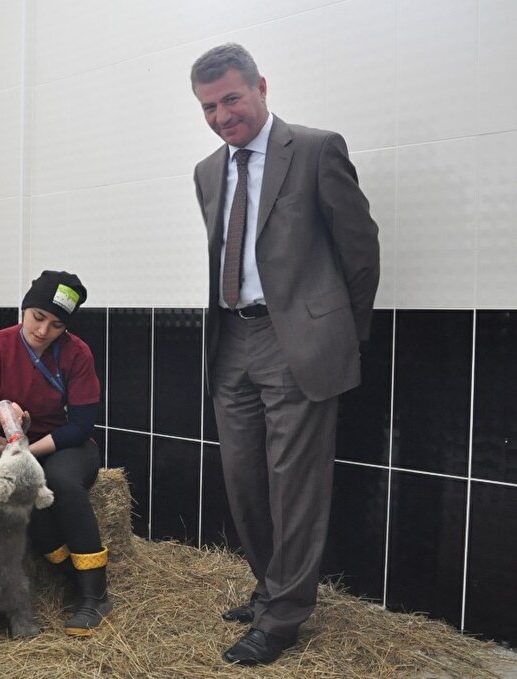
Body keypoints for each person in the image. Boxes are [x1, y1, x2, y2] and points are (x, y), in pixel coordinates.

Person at [190, 44, 380, 666]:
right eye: (209, 106)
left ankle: (285, 617)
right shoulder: (207, 172)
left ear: (261, 87)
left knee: (293, 486)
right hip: (230, 340)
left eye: (231, 99)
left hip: (295, 339)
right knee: (244, 481)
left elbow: (359, 247)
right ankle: (270, 587)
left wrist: (341, 334)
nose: (221, 116)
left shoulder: (317, 150)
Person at [0, 269, 111, 637]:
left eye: (56, 324)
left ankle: (96, 594)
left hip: (68, 447)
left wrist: (26, 449)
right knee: (19, 504)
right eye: (37, 317)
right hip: (15, 448)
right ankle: (73, 580)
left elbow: (81, 425)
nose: (43, 330)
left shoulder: (77, 354)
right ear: (25, 309)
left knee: (57, 480)